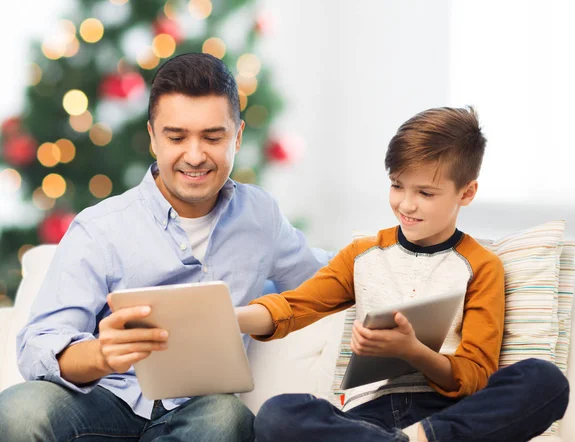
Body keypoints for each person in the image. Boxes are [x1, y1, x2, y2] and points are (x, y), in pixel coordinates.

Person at [0, 53, 330, 441]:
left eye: (213, 137)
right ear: (153, 137)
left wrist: (395, 253)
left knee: (228, 418)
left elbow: (321, 280)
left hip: (200, 409)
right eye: (176, 137)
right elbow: (39, 345)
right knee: (18, 411)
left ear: (237, 136)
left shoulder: (261, 216)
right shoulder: (100, 228)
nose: (194, 156)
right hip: (106, 398)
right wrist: (102, 354)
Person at [237, 107, 570, 442]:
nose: (406, 205)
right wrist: (229, 318)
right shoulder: (362, 255)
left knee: (545, 380)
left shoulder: (481, 266)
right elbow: (292, 307)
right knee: (278, 415)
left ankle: (423, 437)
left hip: (448, 415)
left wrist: (413, 350)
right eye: (397, 186)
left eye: (425, 193)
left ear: (466, 193)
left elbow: (475, 376)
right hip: (367, 419)